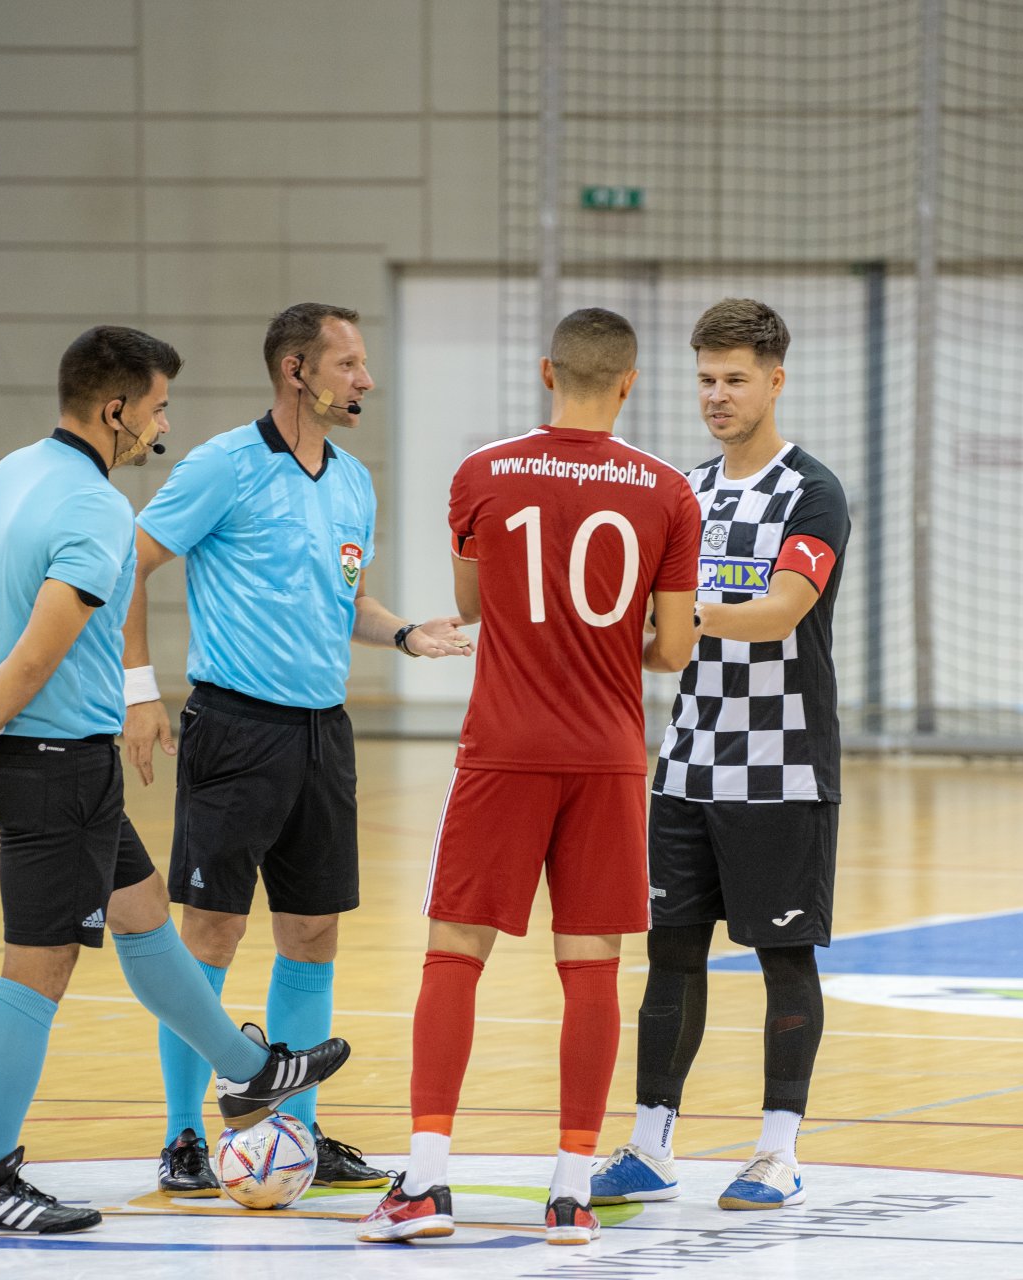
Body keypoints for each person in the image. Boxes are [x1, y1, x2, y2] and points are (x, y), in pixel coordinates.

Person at [0, 325, 350, 1237]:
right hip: (51, 764)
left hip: (44, 760)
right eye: (158, 408)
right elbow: (41, 651)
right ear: (115, 410)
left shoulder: (1, 478)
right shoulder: (96, 507)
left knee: (142, 916)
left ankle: (246, 1070)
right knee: (38, 971)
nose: (163, 425)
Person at [357, 307, 701, 1246]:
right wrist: (611, 644)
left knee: (454, 955)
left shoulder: (484, 472)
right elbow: (674, 648)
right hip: (608, 756)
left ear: (548, 372)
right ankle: (571, 1193)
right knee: (591, 969)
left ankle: (425, 1183)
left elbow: (475, 605)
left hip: (504, 747)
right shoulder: (670, 491)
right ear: (629, 382)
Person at [120, 302, 471, 1196]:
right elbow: (129, 561)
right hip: (236, 728)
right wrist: (138, 691)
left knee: (312, 932)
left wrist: (405, 634)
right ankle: (184, 1136)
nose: (366, 381)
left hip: (324, 733)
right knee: (211, 931)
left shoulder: (353, 481)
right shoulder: (224, 465)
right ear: (295, 370)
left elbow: (347, 599)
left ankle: (297, 1130)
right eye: (349, 365)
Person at [591, 298, 850, 1212]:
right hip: (686, 763)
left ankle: (777, 1152)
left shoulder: (811, 492)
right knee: (669, 955)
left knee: (784, 959)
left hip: (782, 764)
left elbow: (781, 611)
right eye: (705, 378)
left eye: (735, 379)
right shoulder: (683, 491)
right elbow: (652, 635)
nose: (717, 395)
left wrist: (685, 614)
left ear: (775, 381)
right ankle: (650, 1144)